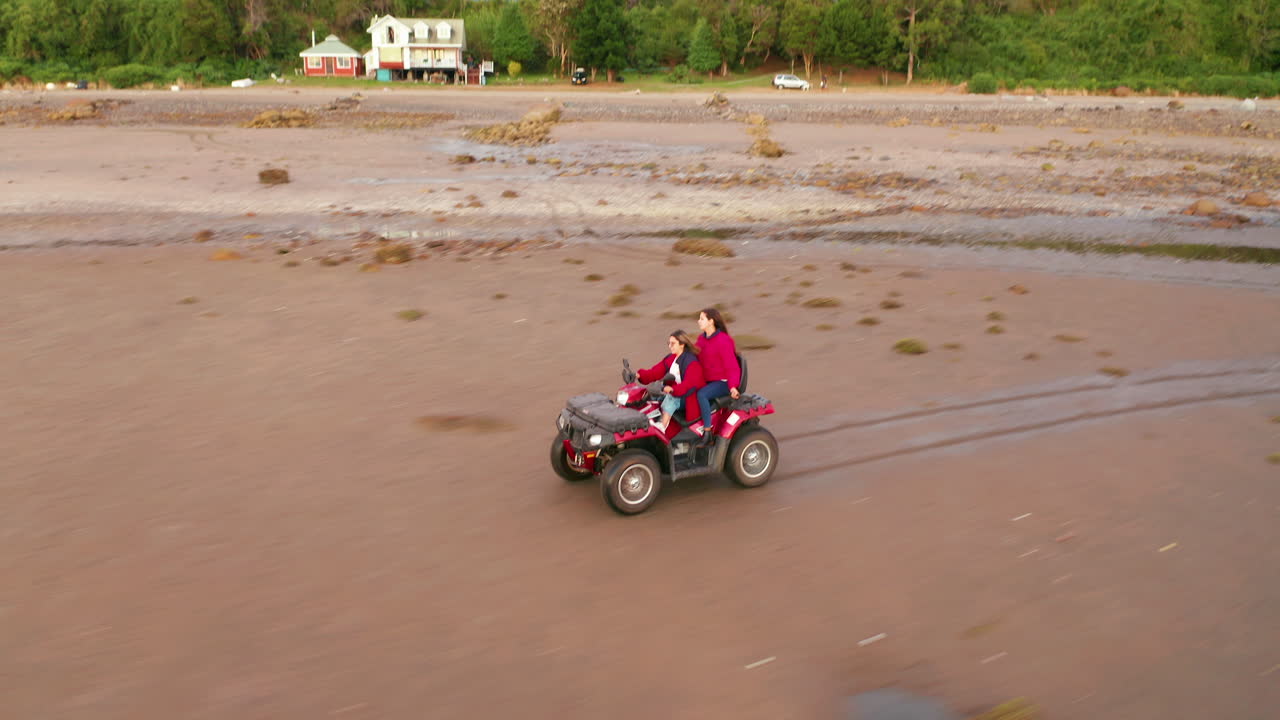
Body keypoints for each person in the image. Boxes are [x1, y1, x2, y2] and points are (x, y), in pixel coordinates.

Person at [636, 330, 705, 432]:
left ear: (682, 344)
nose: (670, 346)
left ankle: (662, 426)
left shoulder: (692, 362)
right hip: (676, 392)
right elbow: (655, 372)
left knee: (671, 398)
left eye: (673, 343)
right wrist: (638, 375)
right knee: (651, 397)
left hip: (689, 397)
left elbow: (689, 385)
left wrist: (672, 390)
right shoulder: (671, 358)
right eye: (669, 343)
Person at [692, 307, 741, 445]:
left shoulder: (724, 341)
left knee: (702, 394)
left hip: (723, 382)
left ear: (711, 321)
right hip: (708, 380)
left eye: (702, 319)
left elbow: (732, 367)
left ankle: (708, 433)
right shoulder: (701, 339)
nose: (698, 321)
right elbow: (693, 355)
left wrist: (733, 387)